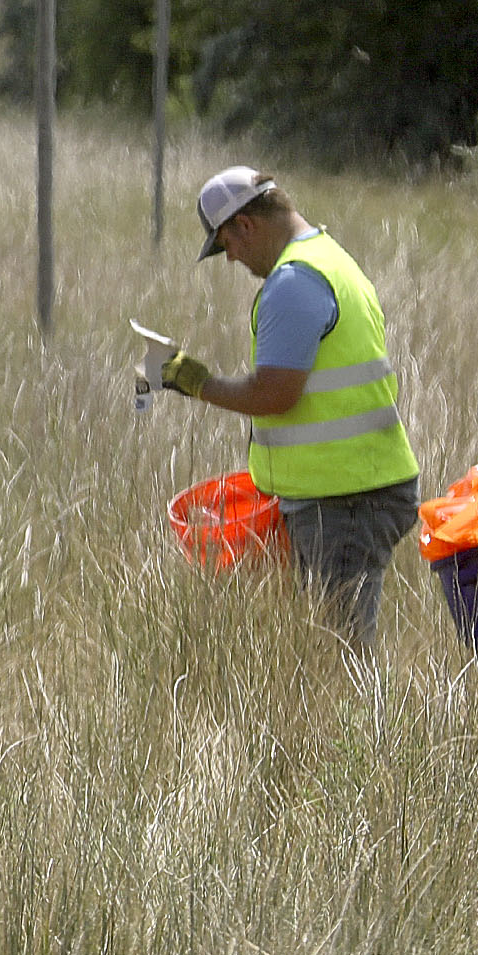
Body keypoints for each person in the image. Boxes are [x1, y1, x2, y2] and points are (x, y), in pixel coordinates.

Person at [154, 166, 419, 649]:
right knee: (336, 646)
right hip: (353, 490)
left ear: (246, 226)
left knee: (342, 656)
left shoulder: (293, 282)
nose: (231, 259)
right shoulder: (328, 258)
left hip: (347, 498)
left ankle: (369, 728)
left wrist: (193, 381)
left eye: (225, 245)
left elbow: (274, 395)